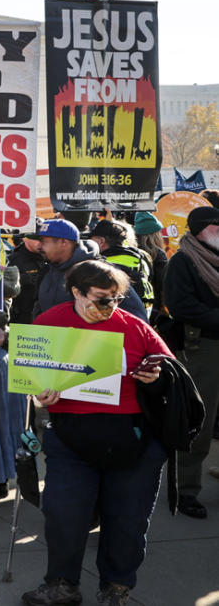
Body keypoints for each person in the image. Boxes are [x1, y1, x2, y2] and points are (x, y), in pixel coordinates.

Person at [21, 261, 172, 606]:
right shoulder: (49, 323)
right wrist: (39, 393)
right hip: (71, 436)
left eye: (117, 299)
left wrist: (156, 377)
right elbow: (29, 379)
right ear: (76, 291)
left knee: (128, 521)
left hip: (132, 437)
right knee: (64, 514)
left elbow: (170, 372)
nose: (111, 307)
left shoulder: (134, 327)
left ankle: (116, 589)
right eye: (103, 300)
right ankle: (62, 585)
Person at [162, 206, 219, 519]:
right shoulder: (183, 261)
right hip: (203, 349)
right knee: (200, 420)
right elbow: (182, 306)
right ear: (204, 229)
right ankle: (186, 491)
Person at [33, 219, 147, 321]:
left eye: (44, 241)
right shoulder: (46, 272)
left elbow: (136, 317)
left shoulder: (101, 272)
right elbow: (39, 311)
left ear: (64, 242)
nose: (39, 246)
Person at [89, 220, 155, 306]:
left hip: (118, 314)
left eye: (91, 240)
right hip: (143, 314)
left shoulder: (103, 265)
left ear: (101, 241)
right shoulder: (143, 258)